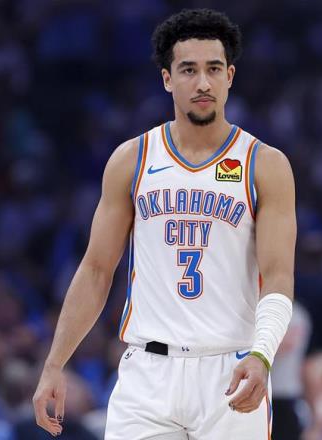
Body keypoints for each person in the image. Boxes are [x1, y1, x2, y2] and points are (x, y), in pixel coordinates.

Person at [33, 8, 296, 440]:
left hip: (230, 367)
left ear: (230, 76)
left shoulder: (264, 164)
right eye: (188, 70)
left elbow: (279, 276)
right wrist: (54, 363)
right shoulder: (132, 159)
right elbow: (96, 269)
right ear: (167, 79)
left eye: (214, 69)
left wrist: (263, 355)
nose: (203, 82)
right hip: (148, 372)